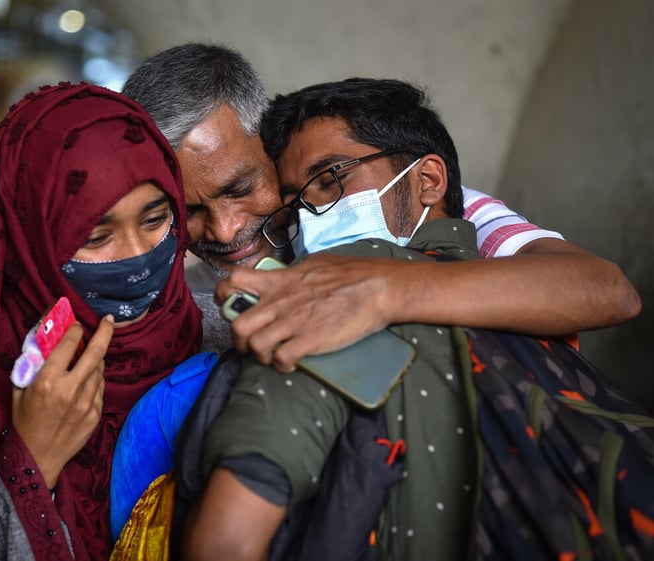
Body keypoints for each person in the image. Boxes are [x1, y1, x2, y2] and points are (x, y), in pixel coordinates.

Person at [0, 43, 640, 467]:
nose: (223, 230)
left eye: (242, 186)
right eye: (183, 210)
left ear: (271, 141)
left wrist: (381, 289)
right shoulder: (154, 291)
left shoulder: (398, 211)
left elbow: (602, 290)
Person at [177, 78, 654, 561]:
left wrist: (378, 287)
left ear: (429, 181)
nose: (314, 214)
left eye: (330, 178)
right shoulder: (322, 289)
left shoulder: (339, 293)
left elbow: (607, 289)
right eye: (297, 203)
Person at [0, 83, 210, 560]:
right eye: (96, 236)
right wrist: (32, 460)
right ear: (29, 237)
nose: (138, 257)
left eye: (155, 219)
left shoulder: (226, 335)